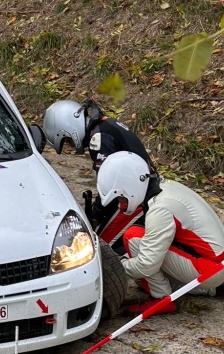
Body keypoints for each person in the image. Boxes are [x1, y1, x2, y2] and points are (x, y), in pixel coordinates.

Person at [96, 151, 224, 314]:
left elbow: (146, 265)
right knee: (143, 274)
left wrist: (113, 267)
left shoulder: (160, 209)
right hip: (219, 261)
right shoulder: (163, 186)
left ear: (130, 188)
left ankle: (162, 299)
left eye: (121, 198)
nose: (121, 203)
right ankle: (210, 288)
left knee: (133, 238)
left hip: (209, 268)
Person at [43, 98, 155, 250]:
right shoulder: (104, 125)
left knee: (100, 247)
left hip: (135, 200)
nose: (70, 145)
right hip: (141, 190)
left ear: (69, 127)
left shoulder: (99, 138)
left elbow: (110, 188)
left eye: (67, 139)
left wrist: (94, 216)